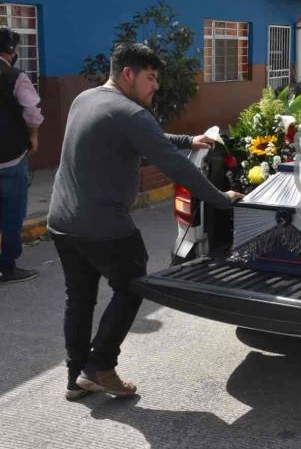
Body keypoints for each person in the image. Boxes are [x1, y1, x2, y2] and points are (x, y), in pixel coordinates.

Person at [48, 43, 244, 401]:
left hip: (63, 221)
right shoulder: (132, 114)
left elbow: (148, 140)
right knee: (133, 285)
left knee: (79, 299)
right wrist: (220, 199)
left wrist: (188, 139)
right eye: (150, 77)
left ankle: (76, 376)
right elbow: (175, 165)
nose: (155, 85)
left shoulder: (87, 99)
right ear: (128, 74)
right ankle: (101, 367)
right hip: (104, 226)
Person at [0, 28, 43, 285]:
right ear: (12, 51)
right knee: (12, 214)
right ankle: (8, 267)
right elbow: (32, 112)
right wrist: (34, 136)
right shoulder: (15, 76)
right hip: (11, 158)